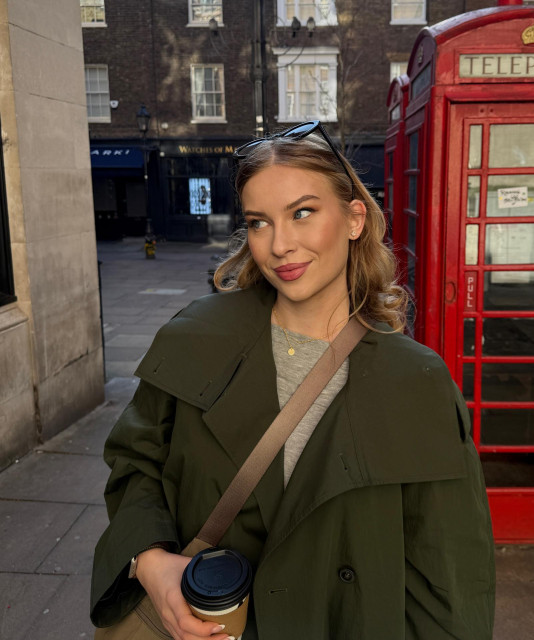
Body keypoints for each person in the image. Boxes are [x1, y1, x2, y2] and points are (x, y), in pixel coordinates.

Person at [90, 121, 495, 640]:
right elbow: (134, 463)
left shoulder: (417, 379)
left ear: (353, 219)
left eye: (303, 213)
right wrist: (150, 562)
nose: (280, 244)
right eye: (259, 222)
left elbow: (451, 570)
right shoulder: (195, 336)